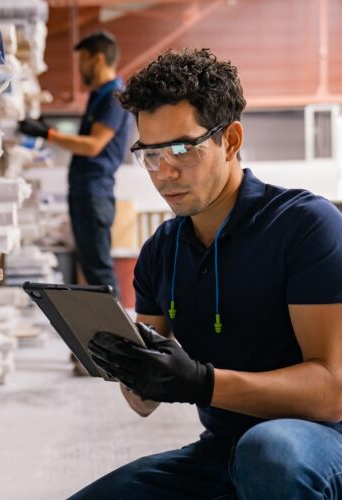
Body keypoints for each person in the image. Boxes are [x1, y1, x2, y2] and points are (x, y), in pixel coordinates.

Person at [70, 48, 342, 499]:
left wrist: (201, 382)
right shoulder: (161, 251)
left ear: (231, 140)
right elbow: (144, 405)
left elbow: (333, 391)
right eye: (150, 154)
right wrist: (132, 368)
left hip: (322, 441)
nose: (165, 172)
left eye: (182, 148)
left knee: (270, 451)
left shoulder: (305, 226)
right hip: (224, 451)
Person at [19, 31, 131, 297]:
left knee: (99, 272)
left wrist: (48, 134)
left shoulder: (113, 96)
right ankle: (105, 331)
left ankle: (118, 334)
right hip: (85, 192)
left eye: (83, 60)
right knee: (92, 272)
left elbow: (94, 145)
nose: (79, 68)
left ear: (98, 59)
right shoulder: (99, 95)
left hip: (95, 192)